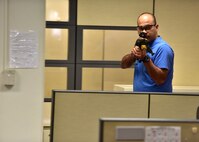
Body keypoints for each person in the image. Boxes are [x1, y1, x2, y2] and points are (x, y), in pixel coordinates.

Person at [121, 12, 174, 92]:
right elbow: (123, 65)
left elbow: (160, 80)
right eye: (141, 28)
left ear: (156, 27)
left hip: (156, 100)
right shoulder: (143, 45)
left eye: (148, 27)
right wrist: (133, 55)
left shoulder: (163, 48)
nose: (144, 31)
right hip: (142, 100)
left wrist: (145, 58)